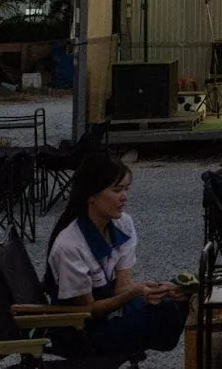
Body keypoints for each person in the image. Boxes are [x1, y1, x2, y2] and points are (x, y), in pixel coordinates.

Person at [43, 151, 187, 360]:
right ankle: (162, 333)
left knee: (178, 291)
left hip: (112, 314)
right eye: (117, 190)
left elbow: (122, 286)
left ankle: (164, 326)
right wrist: (134, 293)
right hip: (85, 332)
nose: (124, 197)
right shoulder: (69, 245)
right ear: (91, 195)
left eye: (126, 189)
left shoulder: (122, 224)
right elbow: (88, 310)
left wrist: (153, 290)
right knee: (164, 311)